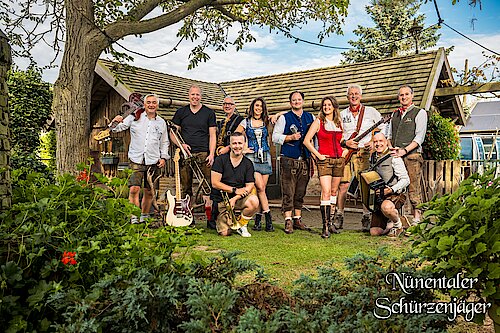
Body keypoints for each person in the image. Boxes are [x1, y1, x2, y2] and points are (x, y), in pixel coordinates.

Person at [110, 93, 170, 224]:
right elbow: (116, 129)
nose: (151, 105)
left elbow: (164, 142)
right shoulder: (134, 117)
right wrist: (116, 120)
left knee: (149, 191)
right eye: (149, 102)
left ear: (157, 105)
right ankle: (134, 217)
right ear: (144, 104)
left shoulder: (161, 122)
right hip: (136, 158)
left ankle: (144, 216)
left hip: (153, 160)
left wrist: (164, 157)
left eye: (154, 102)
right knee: (134, 189)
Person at [337, 84, 384, 232]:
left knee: (365, 186)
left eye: (356, 93)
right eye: (351, 94)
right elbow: (337, 135)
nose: (354, 96)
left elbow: (384, 126)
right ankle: (339, 216)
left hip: (364, 153)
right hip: (347, 153)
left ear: (361, 96)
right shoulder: (342, 114)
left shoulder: (371, 112)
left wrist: (373, 141)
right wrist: (345, 142)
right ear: (347, 97)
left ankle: (366, 217)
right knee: (343, 185)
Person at [170, 85, 217, 224]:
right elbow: (172, 133)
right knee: (185, 187)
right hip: (185, 154)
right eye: (193, 94)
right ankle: (188, 218)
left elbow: (212, 135)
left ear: (200, 96)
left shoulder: (209, 113)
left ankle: (210, 219)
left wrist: (212, 154)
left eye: (197, 95)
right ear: (188, 95)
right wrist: (181, 145)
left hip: (203, 154)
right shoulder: (181, 112)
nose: (195, 97)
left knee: (207, 187)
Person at [272, 90, 315, 234]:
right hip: (288, 159)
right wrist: (290, 138)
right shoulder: (284, 118)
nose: (297, 102)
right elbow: (275, 137)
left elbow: (315, 138)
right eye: (294, 100)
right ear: (290, 103)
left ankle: (297, 219)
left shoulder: (311, 117)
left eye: (299, 99)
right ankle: (287, 220)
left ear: (303, 101)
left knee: (300, 192)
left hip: (305, 159)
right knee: (288, 192)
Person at [303, 96, 344, 238]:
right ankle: (325, 226)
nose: (327, 107)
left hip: (339, 160)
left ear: (334, 107)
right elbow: (306, 141)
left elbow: (341, 141)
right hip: (325, 161)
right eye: (324, 105)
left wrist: (344, 152)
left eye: (329, 105)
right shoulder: (318, 122)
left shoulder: (339, 122)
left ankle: (331, 222)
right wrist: (318, 155)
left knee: (334, 191)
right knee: (326, 192)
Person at [387, 84, 428, 225]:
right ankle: (399, 219)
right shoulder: (395, 114)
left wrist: (404, 150)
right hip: (396, 155)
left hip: (412, 156)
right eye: (401, 95)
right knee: (397, 186)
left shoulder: (419, 112)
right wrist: (391, 148)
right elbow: (389, 135)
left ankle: (417, 218)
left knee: (413, 186)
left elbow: (419, 138)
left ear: (412, 96)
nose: (403, 97)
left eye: (406, 94)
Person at [235, 97, 274, 232]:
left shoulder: (266, 121)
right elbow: (236, 135)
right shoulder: (245, 122)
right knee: (260, 187)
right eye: (257, 106)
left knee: (261, 190)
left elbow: (283, 115)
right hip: (252, 157)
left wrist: (276, 115)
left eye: (261, 106)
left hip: (265, 156)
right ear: (252, 107)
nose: (258, 108)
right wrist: (243, 148)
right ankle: (269, 218)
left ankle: (258, 219)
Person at [211, 132, 259, 237]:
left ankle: (242, 224)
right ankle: (226, 219)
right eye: (234, 143)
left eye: (240, 143)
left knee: (254, 201)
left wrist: (235, 198)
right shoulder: (220, 160)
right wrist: (234, 190)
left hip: (238, 199)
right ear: (230, 145)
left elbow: (250, 186)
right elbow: (215, 183)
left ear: (244, 144)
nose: (237, 146)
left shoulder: (248, 163)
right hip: (222, 200)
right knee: (225, 233)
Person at [207, 96, 244, 229]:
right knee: (215, 190)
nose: (227, 106)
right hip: (219, 157)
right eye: (225, 104)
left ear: (234, 106)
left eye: (230, 104)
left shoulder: (240, 120)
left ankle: (229, 218)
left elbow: (240, 138)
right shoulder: (221, 122)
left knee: (228, 186)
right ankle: (213, 219)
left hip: (231, 156)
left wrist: (227, 148)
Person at [369, 132, 410, 237]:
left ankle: (398, 225)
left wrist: (391, 189)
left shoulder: (394, 157)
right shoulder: (372, 158)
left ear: (386, 142)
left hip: (395, 195)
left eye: (381, 141)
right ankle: (395, 220)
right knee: (374, 232)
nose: (378, 144)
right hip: (379, 197)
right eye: (375, 142)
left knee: (386, 207)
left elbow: (406, 180)